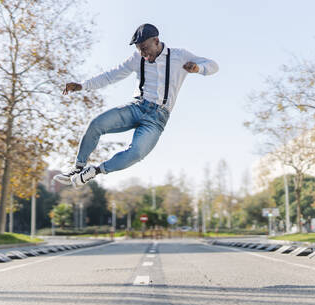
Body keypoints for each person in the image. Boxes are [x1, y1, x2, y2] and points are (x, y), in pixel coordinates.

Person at [54, 23, 218, 188]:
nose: (143, 53)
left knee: (137, 153)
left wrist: (198, 68)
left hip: (157, 119)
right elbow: (111, 75)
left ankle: (95, 171)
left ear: (156, 41)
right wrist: (83, 85)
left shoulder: (179, 56)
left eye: (145, 48)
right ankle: (78, 167)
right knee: (97, 124)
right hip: (137, 107)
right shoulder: (137, 58)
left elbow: (213, 66)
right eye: (140, 49)